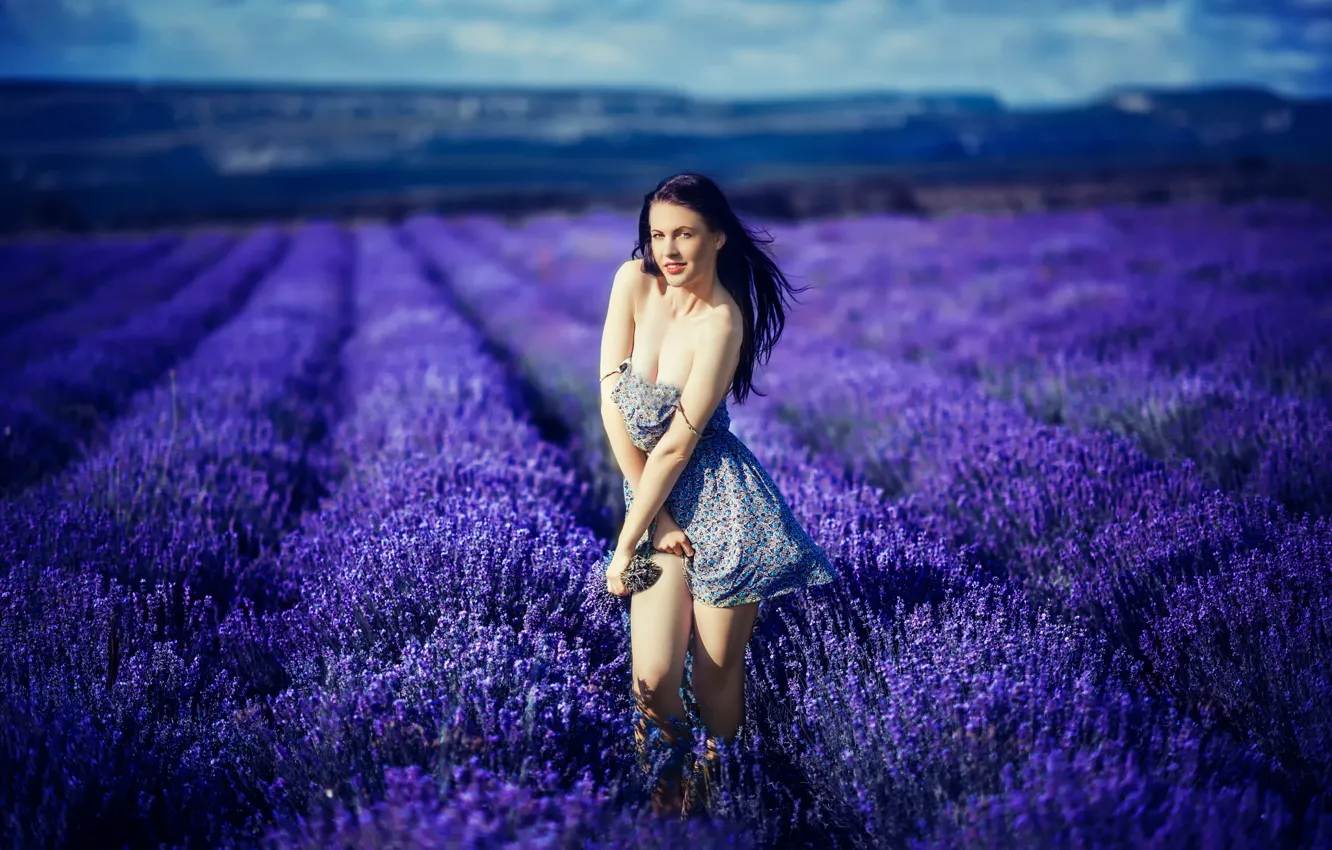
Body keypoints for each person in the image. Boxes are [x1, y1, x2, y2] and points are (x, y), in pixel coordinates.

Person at [597, 173, 839, 819]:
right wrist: (652, 522)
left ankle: (717, 804)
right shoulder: (632, 282)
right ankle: (666, 809)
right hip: (657, 505)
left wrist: (624, 547)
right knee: (650, 681)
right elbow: (609, 401)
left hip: (726, 510)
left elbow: (677, 446)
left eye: (684, 234)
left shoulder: (722, 323)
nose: (668, 249)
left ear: (717, 237)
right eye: (658, 234)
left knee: (712, 680)